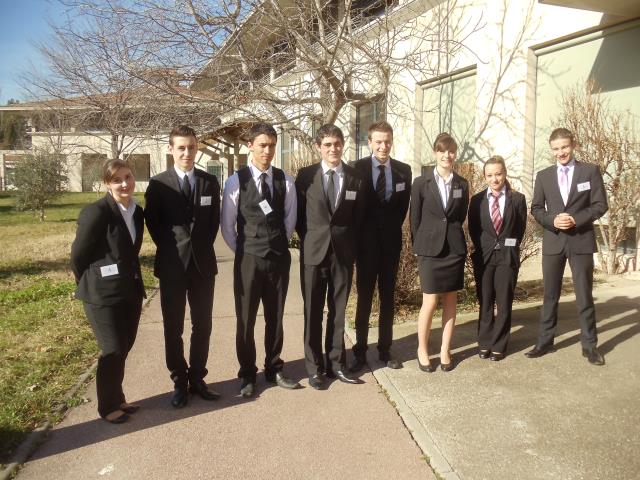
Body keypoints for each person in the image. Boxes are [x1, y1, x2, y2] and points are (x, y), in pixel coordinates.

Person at [221, 123, 301, 398]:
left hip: (278, 260)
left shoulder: (285, 181)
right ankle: (246, 374)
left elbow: (290, 221)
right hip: (248, 261)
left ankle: (274, 367)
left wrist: (275, 244)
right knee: (246, 319)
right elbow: (228, 226)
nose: (267, 151)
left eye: (272, 145)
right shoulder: (235, 181)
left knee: (275, 317)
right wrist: (246, 251)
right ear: (250, 146)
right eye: (262, 145)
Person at [145, 125, 221, 408]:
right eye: (181, 147)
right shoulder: (159, 184)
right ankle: (179, 379)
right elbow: (153, 223)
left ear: (197, 147)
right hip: (172, 266)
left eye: (191, 147)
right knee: (173, 327)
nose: (187, 152)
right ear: (170, 149)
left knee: (203, 325)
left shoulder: (208, 182)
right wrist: (174, 248)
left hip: (203, 266)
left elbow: (212, 222)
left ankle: (198, 378)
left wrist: (198, 248)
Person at [71, 159, 145, 423]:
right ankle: (107, 406)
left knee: (124, 346)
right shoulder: (96, 212)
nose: (124, 184)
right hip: (101, 295)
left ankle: (118, 398)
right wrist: (87, 283)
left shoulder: (137, 212)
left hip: (130, 290)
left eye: (128, 177)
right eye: (117, 180)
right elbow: (78, 256)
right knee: (112, 348)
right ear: (107, 183)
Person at [527, 128, 608, 365]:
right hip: (554, 241)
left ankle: (590, 346)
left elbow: (600, 205)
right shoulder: (543, 176)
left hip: (581, 240)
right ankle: (545, 341)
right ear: (551, 150)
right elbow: (536, 208)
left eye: (564, 147)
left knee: (584, 295)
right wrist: (552, 220)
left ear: (573, 146)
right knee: (550, 295)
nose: (561, 152)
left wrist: (577, 219)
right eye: (556, 148)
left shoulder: (589, 171)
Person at [295, 124, 365, 389]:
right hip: (314, 253)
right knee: (313, 311)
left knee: (337, 313)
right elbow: (298, 217)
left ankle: (336, 363)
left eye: (337, 144)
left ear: (342, 145)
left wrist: (349, 246)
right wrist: (312, 239)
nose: (333, 149)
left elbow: (358, 218)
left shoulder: (355, 178)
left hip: (343, 255)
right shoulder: (305, 177)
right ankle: (314, 368)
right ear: (318, 147)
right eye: (327, 145)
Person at [349, 121, 411, 372]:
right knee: (364, 299)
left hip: (390, 245)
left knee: (387, 299)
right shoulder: (356, 169)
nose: (383, 146)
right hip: (365, 247)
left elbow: (401, 208)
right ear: (370, 143)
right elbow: (353, 208)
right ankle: (360, 352)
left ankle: (385, 349)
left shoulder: (403, 171)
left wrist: (387, 232)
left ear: (391, 142)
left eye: (387, 141)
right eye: (378, 141)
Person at [410, 133, 469, 372]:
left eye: (451, 151)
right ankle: (422, 349)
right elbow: (415, 218)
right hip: (429, 250)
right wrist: (419, 247)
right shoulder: (421, 183)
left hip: (453, 249)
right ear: (435, 153)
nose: (447, 155)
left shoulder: (462, 184)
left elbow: (460, 215)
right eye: (442, 151)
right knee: (430, 300)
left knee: (451, 300)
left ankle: (445, 349)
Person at [468, 156, 527, 361]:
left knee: (503, 303)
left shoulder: (517, 199)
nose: (495, 179)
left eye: (498, 174)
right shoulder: (476, 200)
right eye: (490, 175)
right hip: (483, 258)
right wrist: (487, 245)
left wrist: (504, 245)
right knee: (485, 302)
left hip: (507, 258)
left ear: (505, 173)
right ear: (485, 177)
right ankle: (484, 343)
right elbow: (474, 229)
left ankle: (499, 345)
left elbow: (520, 229)